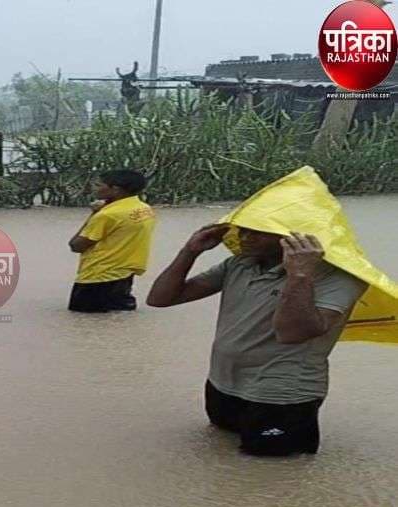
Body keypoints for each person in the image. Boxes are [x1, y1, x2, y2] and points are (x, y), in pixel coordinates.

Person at [146, 224, 368, 456]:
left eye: (257, 232)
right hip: (223, 384)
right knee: (223, 459)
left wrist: (299, 274)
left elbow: (292, 333)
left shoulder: (337, 277)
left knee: (274, 476)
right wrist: (189, 252)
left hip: (280, 395)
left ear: (291, 236)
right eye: (243, 230)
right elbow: (160, 298)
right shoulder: (240, 264)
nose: (244, 238)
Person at [67, 170, 155, 313]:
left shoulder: (108, 215)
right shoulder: (144, 209)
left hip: (98, 276)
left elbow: (76, 245)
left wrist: (94, 214)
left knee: (84, 322)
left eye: (99, 185)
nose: (95, 188)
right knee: (117, 319)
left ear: (115, 189)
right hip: (125, 274)